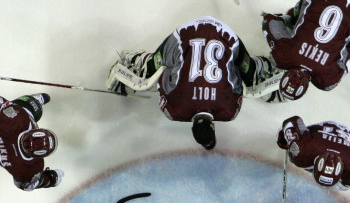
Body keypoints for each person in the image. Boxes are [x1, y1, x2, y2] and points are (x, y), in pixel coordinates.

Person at [105, 16, 279, 150]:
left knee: (249, 74)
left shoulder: (229, 111)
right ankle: (133, 62)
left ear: (213, 125)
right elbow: (163, 80)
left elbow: (237, 81)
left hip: (215, 34)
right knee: (153, 67)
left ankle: (134, 61)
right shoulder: (175, 112)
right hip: (189, 34)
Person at [262, 0, 350, 102]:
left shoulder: (328, 81)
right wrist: (282, 20)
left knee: (346, 44)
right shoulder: (281, 56)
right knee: (293, 18)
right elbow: (270, 21)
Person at [0, 66, 63, 191]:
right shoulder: (33, 167)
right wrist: (50, 179)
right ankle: (33, 106)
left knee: (32, 107)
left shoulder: (16, 119)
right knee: (29, 112)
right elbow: (25, 185)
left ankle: (32, 103)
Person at [277, 115, 350, 190]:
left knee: (347, 183)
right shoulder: (303, 151)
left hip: (342, 134)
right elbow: (291, 122)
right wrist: (285, 138)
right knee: (285, 143)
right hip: (320, 130)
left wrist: (290, 139)